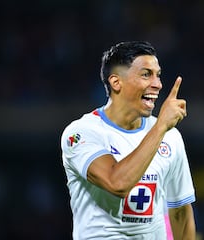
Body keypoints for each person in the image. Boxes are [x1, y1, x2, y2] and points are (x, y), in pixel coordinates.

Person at [60, 41, 196, 240]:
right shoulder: (81, 133)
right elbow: (118, 183)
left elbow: (180, 212)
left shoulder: (170, 136)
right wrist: (160, 128)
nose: (157, 84)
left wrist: (161, 128)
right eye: (146, 74)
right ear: (116, 83)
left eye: (158, 75)